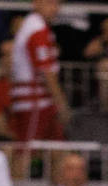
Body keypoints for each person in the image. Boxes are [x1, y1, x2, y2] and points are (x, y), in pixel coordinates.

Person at [7, 0, 69, 146]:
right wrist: (61, 103)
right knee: (26, 150)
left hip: (40, 100)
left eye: (57, 4)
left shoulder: (36, 27)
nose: (54, 9)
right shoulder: (37, 30)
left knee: (57, 149)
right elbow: (46, 72)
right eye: (49, 3)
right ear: (36, 3)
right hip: (34, 102)